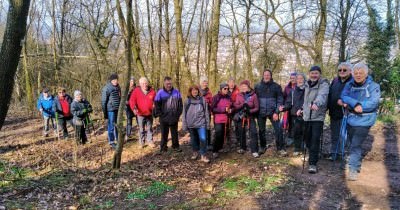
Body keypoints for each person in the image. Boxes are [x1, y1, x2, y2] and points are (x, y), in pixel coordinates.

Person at [341, 63, 380, 181]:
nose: (358, 75)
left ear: (366, 74)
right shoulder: (349, 84)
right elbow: (343, 95)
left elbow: (374, 102)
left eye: (361, 73)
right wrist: (355, 103)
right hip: (351, 118)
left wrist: (361, 106)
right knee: (349, 141)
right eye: (356, 73)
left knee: (355, 144)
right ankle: (352, 159)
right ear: (352, 74)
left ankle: (353, 169)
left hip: (365, 119)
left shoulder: (374, 86)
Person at [302, 65, 329, 174]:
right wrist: (301, 108)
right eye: (312, 73)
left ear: (319, 74)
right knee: (307, 138)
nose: (314, 75)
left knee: (314, 139)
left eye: (316, 73)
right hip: (307, 116)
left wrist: (317, 103)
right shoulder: (306, 84)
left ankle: (313, 163)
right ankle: (312, 153)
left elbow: (322, 95)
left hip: (317, 116)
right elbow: (305, 100)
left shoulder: (324, 84)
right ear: (309, 74)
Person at [255, 69, 285, 155]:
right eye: (265, 75)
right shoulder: (257, 86)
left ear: (271, 76)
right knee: (261, 130)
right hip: (261, 112)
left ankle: (280, 148)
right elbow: (254, 99)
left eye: (268, 75)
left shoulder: (276, 86)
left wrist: (276, 112)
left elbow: (280, 100)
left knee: (278, 129)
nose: (267, 76)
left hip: (273, 112)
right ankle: (262, 146)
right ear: (263, 75)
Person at [327, 62, 353, 160]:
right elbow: (330, 94)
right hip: (333, 112)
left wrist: (346, 103)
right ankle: (334, 152)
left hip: (346, 113)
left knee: (344, 135)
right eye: (340, 70)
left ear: (350, 71)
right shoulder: (335, 81)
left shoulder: (353, 82)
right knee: (334, 134)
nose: (342, 71)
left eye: (344, 70)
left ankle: (344, 153)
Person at [279, 73, 307, 156]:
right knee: (297, 131)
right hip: (295, 114)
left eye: (301, 78)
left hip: (306, 113)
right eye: (298, 79)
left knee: (305, 131)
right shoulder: (292, 91)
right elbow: (288, 103)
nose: (299, 80)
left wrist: (303, 109)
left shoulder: (308, 89)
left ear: (304, 79)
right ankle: (297, 148)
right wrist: (283, 108)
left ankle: (305, 146)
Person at [154, 76, 183, 153]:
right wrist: (160, 115)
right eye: (167, 84)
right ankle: (163, 148)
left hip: (174, 116)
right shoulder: (160, 93)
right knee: (164, 133)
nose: (169, 85)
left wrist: (178, 115)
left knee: (174, 133)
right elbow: (157, 105)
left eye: (170, 84)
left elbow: (180, 105)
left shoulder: (177, 92)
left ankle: (176, 146)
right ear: (164, 83)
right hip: (164, 117)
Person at [182, 85, 210, 163]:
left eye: (196, 90)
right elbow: (184, 113)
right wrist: (184, 124)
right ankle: (195, 152)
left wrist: (207, 123)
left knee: (203, 139)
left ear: (198, 91)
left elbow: (206, 112)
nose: (195, 91)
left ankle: (203, 155)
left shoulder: (202, 100)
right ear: (190, 91)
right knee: (193, 140)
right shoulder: (187, 100)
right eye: (193, 90)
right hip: (191, 124)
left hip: (201, 123)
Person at [233, 80, 260, 158]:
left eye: (245, 86)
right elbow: (236, 106)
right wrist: (242, 105)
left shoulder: (254, 95)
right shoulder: (239, 95)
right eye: (242, 86)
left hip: (250, 116)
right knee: (241, 132)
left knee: (253, 132)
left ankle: (254, 150)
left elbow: (257, 108)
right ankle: (242, 147)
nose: (243, 88)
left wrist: (249, 110)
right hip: (241, 116)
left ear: (248, 87)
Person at [129, 77, 156, 148]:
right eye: (143, 83)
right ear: (140, 84)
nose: (145, 85)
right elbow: (131, 101)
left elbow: (156, 100)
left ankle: (150, 141)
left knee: (149, 128)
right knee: (141, 129)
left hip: (149, 113)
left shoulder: (152, 91)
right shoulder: (136, 91)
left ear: (148, 83)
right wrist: (134, 108)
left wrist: (155, 105)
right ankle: (141, 143)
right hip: (140, 114)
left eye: (146, 83)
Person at [211, 83, 232, 158]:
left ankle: (220, 148)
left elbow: (231, 106)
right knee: (218, 134)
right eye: (225, 88)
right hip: (218, 119)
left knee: (223, 134)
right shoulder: (216, 97)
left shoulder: (229, 97)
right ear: (221, 89)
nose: (226, 90)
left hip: (226, 119)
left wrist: (231, 110)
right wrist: (223, 109)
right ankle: (214, 150)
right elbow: (212, 109)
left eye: (227, 89)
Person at [101, 73, 121, 149]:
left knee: (117, 125)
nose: (116, 81)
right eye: (114, 80)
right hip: (110, 110)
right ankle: (111, 141)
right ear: (111, 80)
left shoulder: (118, 86)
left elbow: (120, 97)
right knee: (111, 126)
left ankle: (118, 139)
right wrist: (105, 113)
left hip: (118, 109)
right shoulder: (106, 88)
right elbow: (103, 101)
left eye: (116, 79)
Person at [282, 72, 297, 146]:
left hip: (297, 109)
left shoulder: (300, 87)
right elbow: (284, 97)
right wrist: (284, 106)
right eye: (291, 78)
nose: (292, 79)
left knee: (297, 125)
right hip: (289, 109)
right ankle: (290, 139)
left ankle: (298, 140)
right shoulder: (287, 87)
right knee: (289, 124)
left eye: (294, 78)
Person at [199, 76, 213, 150]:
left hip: (207, 112)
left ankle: (208, 143)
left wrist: (209, 105)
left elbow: (212, 102)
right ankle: (199, 143)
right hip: (198, 113)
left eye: (206, 82)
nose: (205, 83)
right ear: (200, 83)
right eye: (204, 82)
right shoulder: (197, 91)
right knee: (199, 127)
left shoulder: (209, 92)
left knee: (207, 127)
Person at [125, 76, 136, 141]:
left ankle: (141, 133)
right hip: (128, 108)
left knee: (139, 120)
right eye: (131, 81)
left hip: (135, 107)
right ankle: (128, 134)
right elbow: (124, 98)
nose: (132, 82)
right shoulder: (126, 89)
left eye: (133, 81)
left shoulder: (136, 88)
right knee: (129, 121)